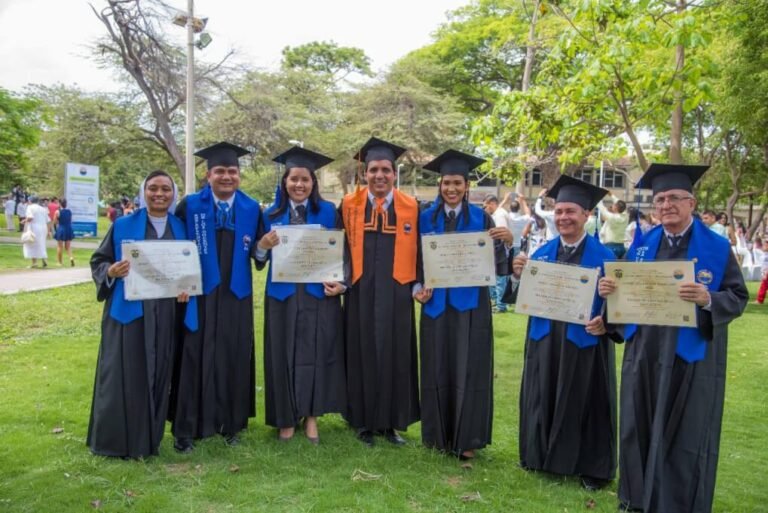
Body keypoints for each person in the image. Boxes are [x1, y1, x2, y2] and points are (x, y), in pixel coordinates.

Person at [599, 163, 748, 513]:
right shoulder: (641, 245)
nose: (667, 205)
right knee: (637, 424)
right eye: (661, 199)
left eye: (675, 198)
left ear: (691, 203)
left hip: (691, 355)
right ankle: (635, 498)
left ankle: (679, 502)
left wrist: (708, 298)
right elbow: (625, 295)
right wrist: (609, 292)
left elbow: (738, 296)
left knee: (687, 430)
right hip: (645, 350)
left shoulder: (717, 247)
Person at [508, 175, 619, 491]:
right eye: (558, 211)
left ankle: (591, 467)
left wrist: (606, 322)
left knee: (588, 401)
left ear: (586, 215)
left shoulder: (606, 258)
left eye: (571, 211)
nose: (563, 217)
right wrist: (517, 276)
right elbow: (524, 298)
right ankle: (538, 456)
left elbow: (620, 306)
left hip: (585, 343)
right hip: (545, 340)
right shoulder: (541, 254)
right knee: (542, 396)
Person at [87, 170, 190, 459]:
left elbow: (187, 268)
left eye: (166, 189)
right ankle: (116, 442)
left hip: (165, 312)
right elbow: (99, 260)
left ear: (173, 194)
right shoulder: (123, 224)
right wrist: (110, 271)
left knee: (159, 372)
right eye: (153, 188)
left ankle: (150, 439)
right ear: (143, 192)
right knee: (124, 373)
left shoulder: (181, 227)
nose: (159, 194)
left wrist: (186, 288)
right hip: (128, 313)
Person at [418, 150, 512, 460]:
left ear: (467, 185)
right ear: (440, 185)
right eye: (446, 183)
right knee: (436, 367)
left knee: (470, 369)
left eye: (457, 183)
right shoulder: (425, 217)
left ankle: (467, 439)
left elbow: (498, 265)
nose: (452, 189)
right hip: (435, 305)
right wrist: (417, 288)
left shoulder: (482, 218)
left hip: (471, 306)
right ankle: (437, 436)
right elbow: (414, 260)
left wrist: (507, 243)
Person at [170, 142, 263, 453]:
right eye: (220, 171)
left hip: (236, 296)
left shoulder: (251, 208)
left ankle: (230, 425)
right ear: (208, 175)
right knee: (193, 357)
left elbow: (259, 255)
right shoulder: (190, 206)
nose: (226, 176)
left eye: (232, 171)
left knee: (233, 355)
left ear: (239, 175)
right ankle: (187, 428)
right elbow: (173, 245)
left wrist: (265, 247)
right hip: (198, 295)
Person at [255, 146, 347, 444]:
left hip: (318, 295)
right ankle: (285, 419)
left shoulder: (328, 212)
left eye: (305, 179)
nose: (299, 184)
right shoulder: (270, 214)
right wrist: (263, 246)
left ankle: (311, 417)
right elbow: (258, 259)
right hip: (282, 296)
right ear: (285, 182)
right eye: (293, 178)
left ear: (313, 182)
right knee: (282, 353)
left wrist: (342, 284)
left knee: (316, 354)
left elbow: (343, 252)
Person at [339, 137, 421, 447]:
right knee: (360, 353)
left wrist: (418, 283)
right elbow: (337, 247)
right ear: (365, 173)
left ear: (394, 173)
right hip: (359, 291)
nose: (379, 176)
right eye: (373, 170)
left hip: (397, 292)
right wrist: (339, 279)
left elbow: (423, 250)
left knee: (394, 355)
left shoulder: (411, 207)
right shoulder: (349, 205)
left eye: (386, 170)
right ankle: (361, 422)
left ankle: (389, 424)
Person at [597, 192, 629, 259]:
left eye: (613, 205)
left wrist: (598, 197)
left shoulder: (612, 218)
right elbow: (621, 205)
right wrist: (611, 195)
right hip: (621, 247)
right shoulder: (626, 216)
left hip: (611, 247)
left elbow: (602, 209)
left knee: (608, 265)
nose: (612, 206)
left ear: (615, 208)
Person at [22, 195, 51, 268]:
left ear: (30, 201)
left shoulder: (30, 207)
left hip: (34, 227)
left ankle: (34, 262)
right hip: (43, 227)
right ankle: (44, 258)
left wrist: (24, 221)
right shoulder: (43, 209)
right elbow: (48, 220)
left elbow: (30, 217)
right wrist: (49, 231)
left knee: (32, 243)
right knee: (41, 243)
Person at [53, 199, 75, 266]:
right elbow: (71, 221)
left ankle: (60, 262)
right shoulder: (69, 211)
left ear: (60, 204)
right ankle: (71, 257)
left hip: (61, 229)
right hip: (68, 229)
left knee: (60, 247)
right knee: (68, 247)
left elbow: (55, 222)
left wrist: (58, 221)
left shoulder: (57, 212)